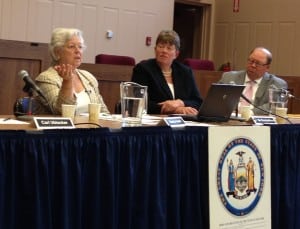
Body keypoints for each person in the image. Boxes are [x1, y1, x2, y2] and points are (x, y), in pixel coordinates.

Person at [35, 27, 109, 115]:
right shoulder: (46, 78)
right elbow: (61, 112)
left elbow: (104, 112)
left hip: (93, 127)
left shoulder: (88, 77)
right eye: (71, 46)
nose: (78, 51)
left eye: (80, 47)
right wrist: (67, 81)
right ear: (57, 52)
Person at [131, 30, 202, 115]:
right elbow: (139, 103)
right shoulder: (143, 69)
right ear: (155, 49)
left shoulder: (185, 72)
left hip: (184, 121)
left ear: (176, 54)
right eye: (161, 46)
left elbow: (198, 101)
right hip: (154, 121)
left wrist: (180, 103)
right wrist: (175, 110)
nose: (164, 51)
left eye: (169, 48)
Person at [218, 47, 287, 115]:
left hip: (256, 123)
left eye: (258, 63)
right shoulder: (229, 77)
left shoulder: (277, 84)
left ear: (267, 67)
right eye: (251, 61)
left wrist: (249, 113)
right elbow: (216, 98)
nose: (253, 65)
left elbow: (274, 106)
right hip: (229, 119)